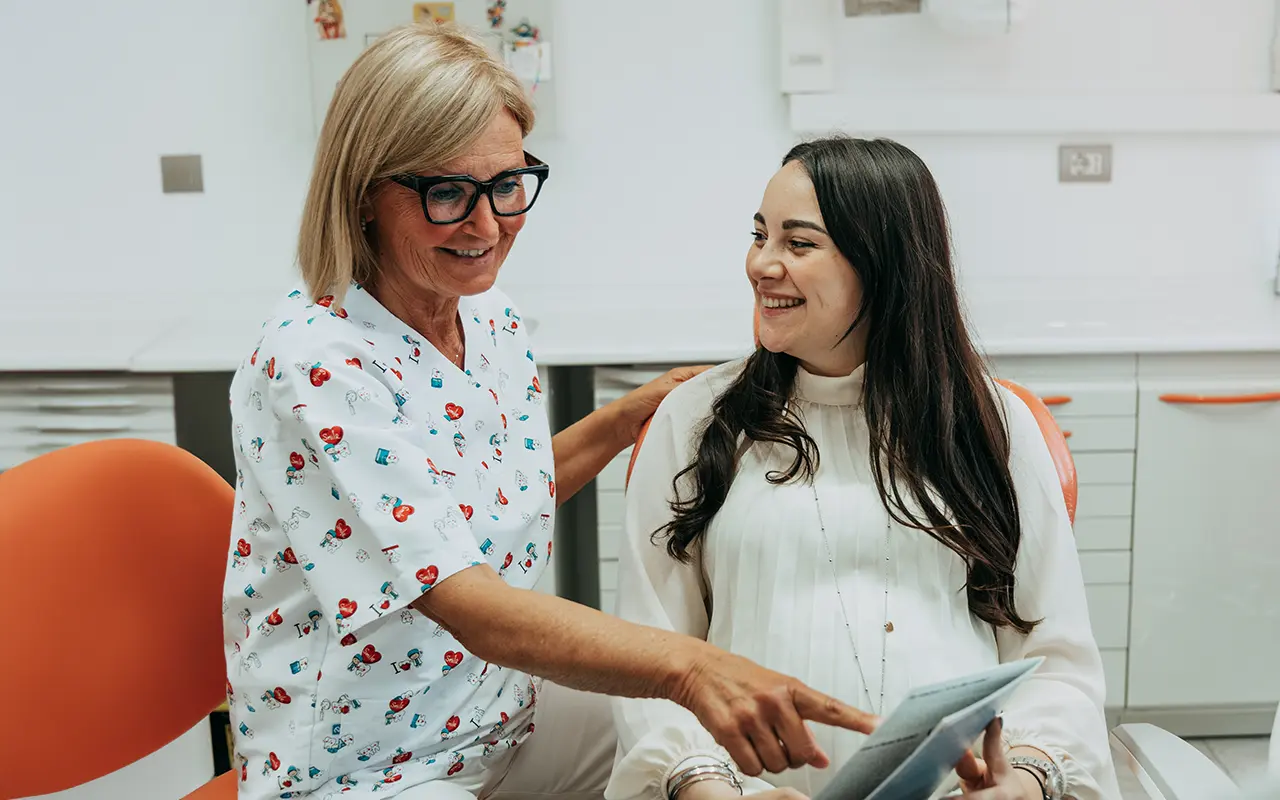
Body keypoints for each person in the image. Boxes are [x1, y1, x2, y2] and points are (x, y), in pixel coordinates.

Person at [222, 24, 875, 800]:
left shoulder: (486, 317)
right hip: (367, 760)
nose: (488, 226)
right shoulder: (314, 359)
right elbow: (467, 601)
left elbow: (490, 501)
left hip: (502, 713)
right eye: (447, 193)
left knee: (713, 770)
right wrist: (690, 664)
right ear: (366, 190)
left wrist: (632, 415)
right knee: (686, 717)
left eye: (507, 184)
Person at [609, 137, 1123, 800]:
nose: (762, 264)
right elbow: (652, 654)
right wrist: (704, 787)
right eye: (760, 235)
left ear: (883, 266)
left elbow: (1056, 661)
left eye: (798, 244)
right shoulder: (699, 419)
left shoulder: (989, 424)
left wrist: (1020, 779)